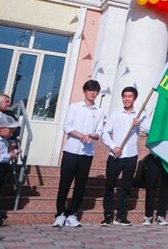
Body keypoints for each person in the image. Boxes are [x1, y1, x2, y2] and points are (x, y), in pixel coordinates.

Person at [53, 80, 104, 228]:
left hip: (87, 153)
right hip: (71, 151)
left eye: (95, 91)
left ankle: (72, 214)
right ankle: (60, 214)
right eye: (90, 90)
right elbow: (67, 126)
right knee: (65, 183)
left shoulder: (99, 112)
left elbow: (99, 131)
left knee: (80, 185)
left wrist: (92, 136)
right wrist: (81, 135)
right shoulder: (74, 107)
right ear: (84, 91)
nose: (92, 93)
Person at [100, 87, 143, 226]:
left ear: (134, 98)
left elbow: (149, 129)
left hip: (131, 155)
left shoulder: (140, 115)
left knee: (126, 187)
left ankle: (121, 216)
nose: (127, 99)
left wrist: (139, 123)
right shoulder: (115, 114)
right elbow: (105, 133)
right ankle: (107, 215)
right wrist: (113, 147)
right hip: (115, 155)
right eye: (124, 96)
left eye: (130, 96)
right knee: (109, 186)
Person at [0, 112, 20, 224]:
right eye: (10, 130)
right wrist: (9, 156)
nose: (12, 133)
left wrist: (14, 152)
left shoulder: (4, 141)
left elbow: (4, 154)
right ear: (0, 129)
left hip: (1, 169)